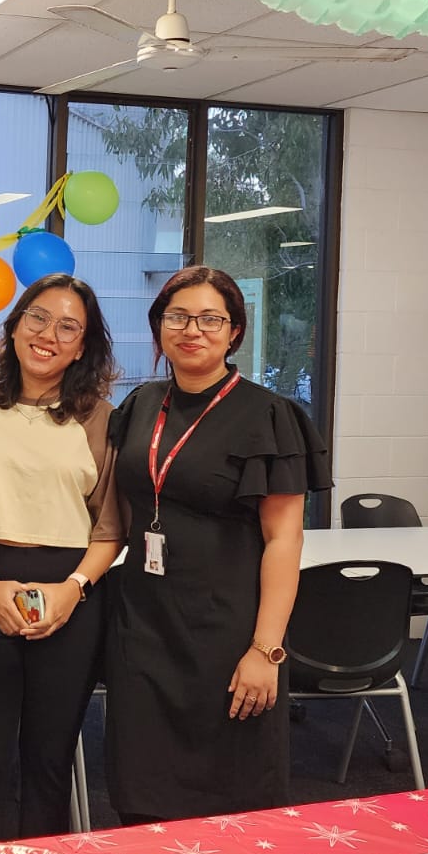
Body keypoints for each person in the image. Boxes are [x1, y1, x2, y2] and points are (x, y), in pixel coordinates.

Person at [104, 265, 331, 822]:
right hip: (144, 623)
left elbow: (284, 539)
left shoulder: (269, 415)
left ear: (234, 332)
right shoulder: (141, 405)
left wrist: (266, 650)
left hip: (228, 631)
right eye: (178, 317)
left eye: (210, 319)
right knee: (140, 780)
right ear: (159, 327)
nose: (192, 330)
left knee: (232, 789)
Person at [0, 274, 122, 845]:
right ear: (14, 328)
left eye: (68, 327)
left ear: (82, 347)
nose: (48, 335)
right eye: (37, 318)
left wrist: (74, 588)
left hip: (71, 597)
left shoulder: (102, 420)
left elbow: (110, 526)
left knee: (49, 760)